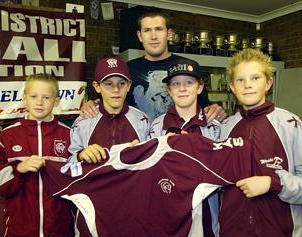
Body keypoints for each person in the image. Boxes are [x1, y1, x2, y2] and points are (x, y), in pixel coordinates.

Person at [81, 7, 226, 122]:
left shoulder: (188, 66)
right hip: (139, 143)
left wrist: (214, 110)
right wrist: (93, 105)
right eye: (147, 30)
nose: (154, 36)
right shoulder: (127, 69)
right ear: (139, 36)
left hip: (179, 142)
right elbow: (112, 101)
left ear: (169, 34)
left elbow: (205, 107)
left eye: (159, 29)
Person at [218, 48, 302, 237]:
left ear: (268, 83)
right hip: (232, 231)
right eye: (240, 80)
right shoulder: (225, 128)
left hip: (280, 230)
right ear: (232, 87)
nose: (248, 85)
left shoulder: (291, 125)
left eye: (255, 78)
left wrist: (273, 184)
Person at [0, 73, 75, 237]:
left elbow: (79, 181)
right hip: (19, 229)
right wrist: (19, 168)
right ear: (24, 98)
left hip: (60, 228)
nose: (39, 102)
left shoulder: (70, 136)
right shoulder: (7, 137)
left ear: (56, 101)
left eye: (46, 97)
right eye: (34, 96)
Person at [149, 58, 220, 237]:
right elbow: (147, 173)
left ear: (199, 87)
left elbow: (223, 173)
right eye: (175, 84)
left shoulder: (216, 127)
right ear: (169, 90)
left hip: (205, 214)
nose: (182, 89)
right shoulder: (156, 127)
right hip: (165, 212)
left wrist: (196, 149)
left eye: (189, 82)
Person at [69, 57, 150, 163]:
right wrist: (81, 155)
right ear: (97, 86)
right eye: (108, 84)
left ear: (128, 86)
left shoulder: (143, 121)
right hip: (95, 179)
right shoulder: (82, 122)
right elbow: (68, 164)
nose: (116, 90)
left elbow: (152, 163)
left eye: (121, 83)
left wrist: (142, 156)